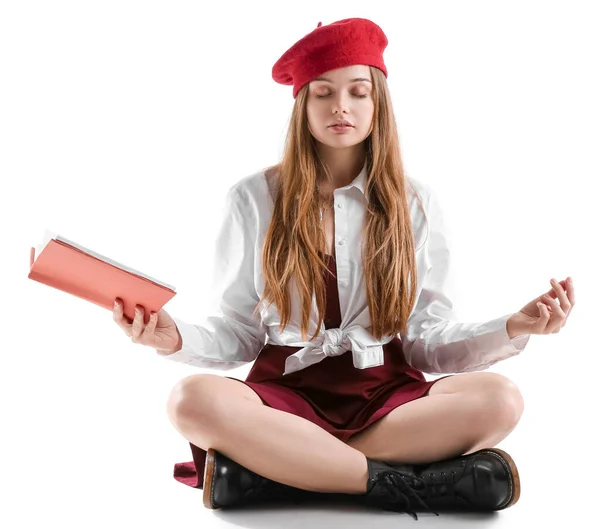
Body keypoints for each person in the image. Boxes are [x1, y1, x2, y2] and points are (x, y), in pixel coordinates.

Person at [112, 18, 575, 520]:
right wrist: (172, 337)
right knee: (190, 400)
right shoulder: (253, 197)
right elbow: (241, 334)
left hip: (388, 396)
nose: (340, 107)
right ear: (301, 108)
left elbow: (426, 341)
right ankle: (396, 485)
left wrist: (513, 327)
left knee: (499, 399)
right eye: (322, 94)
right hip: (283, 398)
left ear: (378, 104)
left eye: (358, 93)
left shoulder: (414, 202)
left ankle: (280, 471)